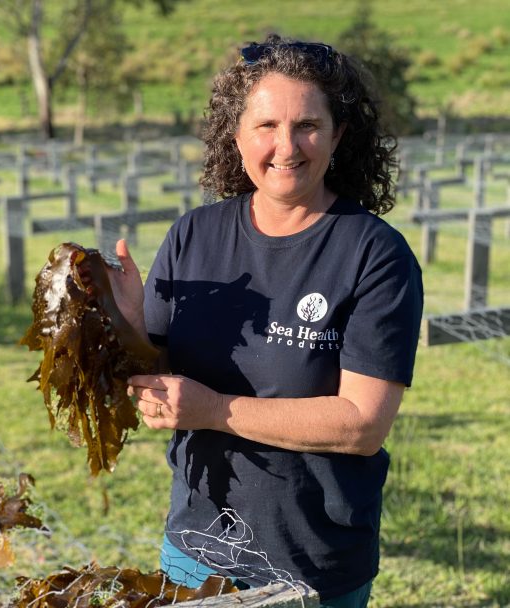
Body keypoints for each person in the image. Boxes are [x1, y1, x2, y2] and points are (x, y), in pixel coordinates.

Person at [108, 35, 424, 607]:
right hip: (194, 548)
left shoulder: (374, 254)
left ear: (338, 135)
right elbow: (154, 378)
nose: (287, 146)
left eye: (307, 124)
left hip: (312, 564)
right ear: (236, 136)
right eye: (266, 126)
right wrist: (126, 319)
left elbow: (361, 424)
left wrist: (214, 411)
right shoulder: (193, 235)